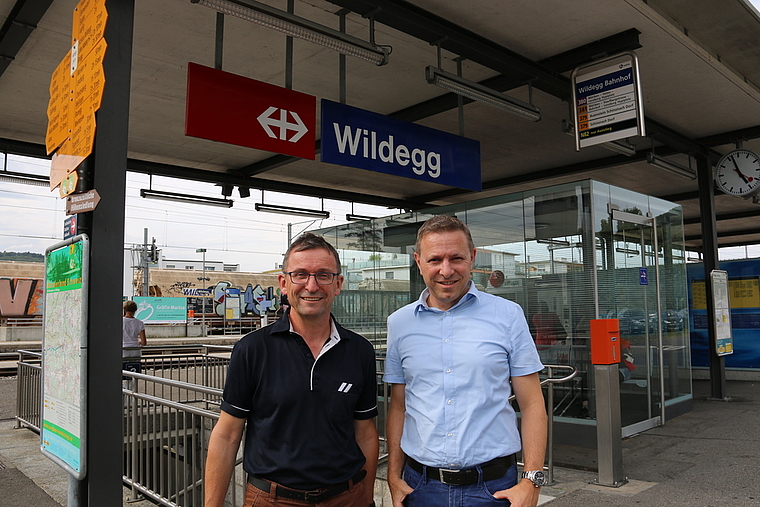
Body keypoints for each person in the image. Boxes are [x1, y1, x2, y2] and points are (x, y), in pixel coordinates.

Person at [205, 232, 379, 507]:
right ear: (284, 283)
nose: (312, 285)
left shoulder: (360, 351)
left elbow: (366, 433)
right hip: (273, 499)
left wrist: (366, 497)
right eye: (300, 274)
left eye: (323, 275)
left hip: (347, 498)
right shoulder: (252, 350)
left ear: (338, 284)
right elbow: (227, 436)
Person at [385, 215, 547, 507]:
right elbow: (399, 405)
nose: (446, 270)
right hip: (419, 488)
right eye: (435, 259)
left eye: (456, 258)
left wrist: (531, 480)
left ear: (472, 258)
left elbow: (533, 403)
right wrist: (393, 476)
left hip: (495, 488)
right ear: (418, 261)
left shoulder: (508, 315)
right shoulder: (400, 323)